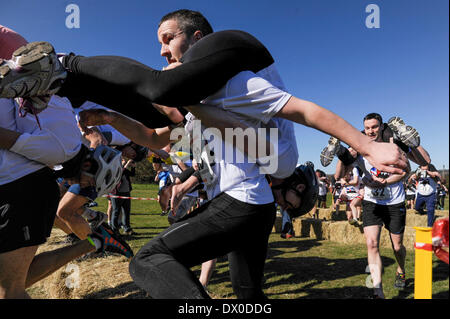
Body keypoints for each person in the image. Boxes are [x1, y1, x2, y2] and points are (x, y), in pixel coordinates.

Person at [0, 14, 408, 176]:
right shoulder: (273, 149)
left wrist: (109, 118)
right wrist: (368, 147)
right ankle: (63, 70)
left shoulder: (271, 160)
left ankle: (64, 75)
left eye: (167, 40)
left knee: (164, 104)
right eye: (162, 41)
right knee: (163, 90)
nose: (162, 50)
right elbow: (304, 109)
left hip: (227, 61)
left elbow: (158, 137)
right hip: (242, 52)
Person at [0, 26, 133, 299]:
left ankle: (94, 240)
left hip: (20, 187)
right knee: (12, 283)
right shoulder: (67, 145)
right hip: (26, 181)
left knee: (10, 287)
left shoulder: (62, 148)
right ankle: (95, 240)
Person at [110, 157, 136, 235]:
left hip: (126, 193)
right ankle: (114, 230)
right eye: (121, 160)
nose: (124, 161)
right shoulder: (114, 169)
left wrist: (133, 167)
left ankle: (127, 229)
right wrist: (126, 164)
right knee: (116, 211)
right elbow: (119, 174)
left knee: (126, 211)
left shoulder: (124, 169)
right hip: (116, 193)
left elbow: (132, 174)